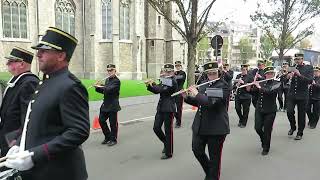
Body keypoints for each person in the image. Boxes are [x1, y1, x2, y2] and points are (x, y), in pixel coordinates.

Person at [4, 27, 90, 180]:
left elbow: (78, 131)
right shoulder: (45, 82)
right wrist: (19, 144)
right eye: (38, 50)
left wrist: (35, 155)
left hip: (59, 173)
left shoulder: (70, 86)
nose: (38, 54)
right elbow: (34, 121)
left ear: (61, 55)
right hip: (40, 171)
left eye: (44, 50)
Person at [183, 61, 230, 180]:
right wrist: (186, 97)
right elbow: (199, 102)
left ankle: (212, 176)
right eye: (209, 74)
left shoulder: (223, 86)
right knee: (196, 150)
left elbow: (210, 103)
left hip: (216, 128)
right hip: (200, 125)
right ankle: (210, 172)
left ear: (218, 72)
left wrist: (197, 93)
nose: (211, 76)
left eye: (214, 73)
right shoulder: (204, 84)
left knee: (215, 158)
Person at [0, 47, 39, 157]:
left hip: (14, 141)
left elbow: (27, 117)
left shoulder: (29, 83)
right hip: (6, 137)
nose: (8, 64)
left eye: (11, 62)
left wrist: (18, 142)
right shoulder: (18, 80)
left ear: (21, 64)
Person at [146, 63, 177, 159]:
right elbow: (156, 90)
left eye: (169, 71)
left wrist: (154, 84)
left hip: (169, 108)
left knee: (168, 131)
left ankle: (169, 152)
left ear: (173, 72)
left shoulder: (172, 81)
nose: (167, 73)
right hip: (161, 107)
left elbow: (161, 89)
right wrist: (149, 85)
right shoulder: (164, 80)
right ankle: (166, 142)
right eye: (165, 71)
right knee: (156, 128)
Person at [251, 66, 281, 155]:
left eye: (271, 73)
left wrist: (258, 86)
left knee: (267, 130)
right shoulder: (262, 82)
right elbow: (253, 92)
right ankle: (263, 139)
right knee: (258, 128)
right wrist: (250, 86)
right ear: (265, 75)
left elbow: (269, 92)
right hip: (259, 109)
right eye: (268, 74)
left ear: (274, 74)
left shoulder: (276, 83)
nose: (269, 75)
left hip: (270, 111)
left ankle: (266, 148)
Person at [286, 53, 313, 140]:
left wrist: (299, 74)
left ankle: (300, 132)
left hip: (302, 95)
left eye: (298, 59)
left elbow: (310, 81)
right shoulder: (292, 67)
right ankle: (293, 126)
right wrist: (287, 76)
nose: (297, 61)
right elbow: (284, 79)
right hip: (292, 94)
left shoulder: (308, 68)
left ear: (302, 59)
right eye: (296, 59)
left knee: (301, 115)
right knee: (289, 111)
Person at [95, 64, 121, 146]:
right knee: (101, 120)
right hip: (105, 104)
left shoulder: (117, 81)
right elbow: (104, 91)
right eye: (108, 70)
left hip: (113, 105)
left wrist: (101, 86)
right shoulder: (107, 80)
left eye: (111, 70)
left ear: (115, 71)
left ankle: (113, 139)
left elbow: (109, 89)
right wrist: (97, 87)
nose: (109, 72)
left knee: (113, 123)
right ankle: (108, 136)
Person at [173, 61, 186, 128]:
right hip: (174, 92)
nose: (177, 67)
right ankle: (177, 119)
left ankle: (178, 122)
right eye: (176, 66)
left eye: (178, 65)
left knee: (179, 108)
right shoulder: (174, 73)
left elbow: (180, 78)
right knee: (173, 108)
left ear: (181, 66)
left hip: (180, 92)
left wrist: (173, 75)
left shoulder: (183, 73)